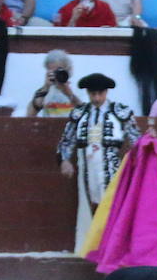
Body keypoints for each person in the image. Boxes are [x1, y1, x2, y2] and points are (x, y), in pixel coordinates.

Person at [57, 72, 140, 250]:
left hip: (112, 169)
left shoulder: (121, 112)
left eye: (99, 93)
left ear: (106, 92)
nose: (96, 98)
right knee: (89, 208)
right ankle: (97, 248)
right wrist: (64, 160)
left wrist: (146, 147)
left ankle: (113, 248)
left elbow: (136, 140)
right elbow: (67, 140)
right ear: (87, 93)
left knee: (113, 208)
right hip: (86, 171)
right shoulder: (79, 113)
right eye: (92, 94)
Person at [28, 49, 82, 116]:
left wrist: (70, 94)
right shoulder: (43, 91)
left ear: (68, 69)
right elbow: (30, 115)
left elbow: (84, 111)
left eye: (59, 70)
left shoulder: (77, 87)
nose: (56, 74)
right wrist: (46, 88)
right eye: (52, 71)